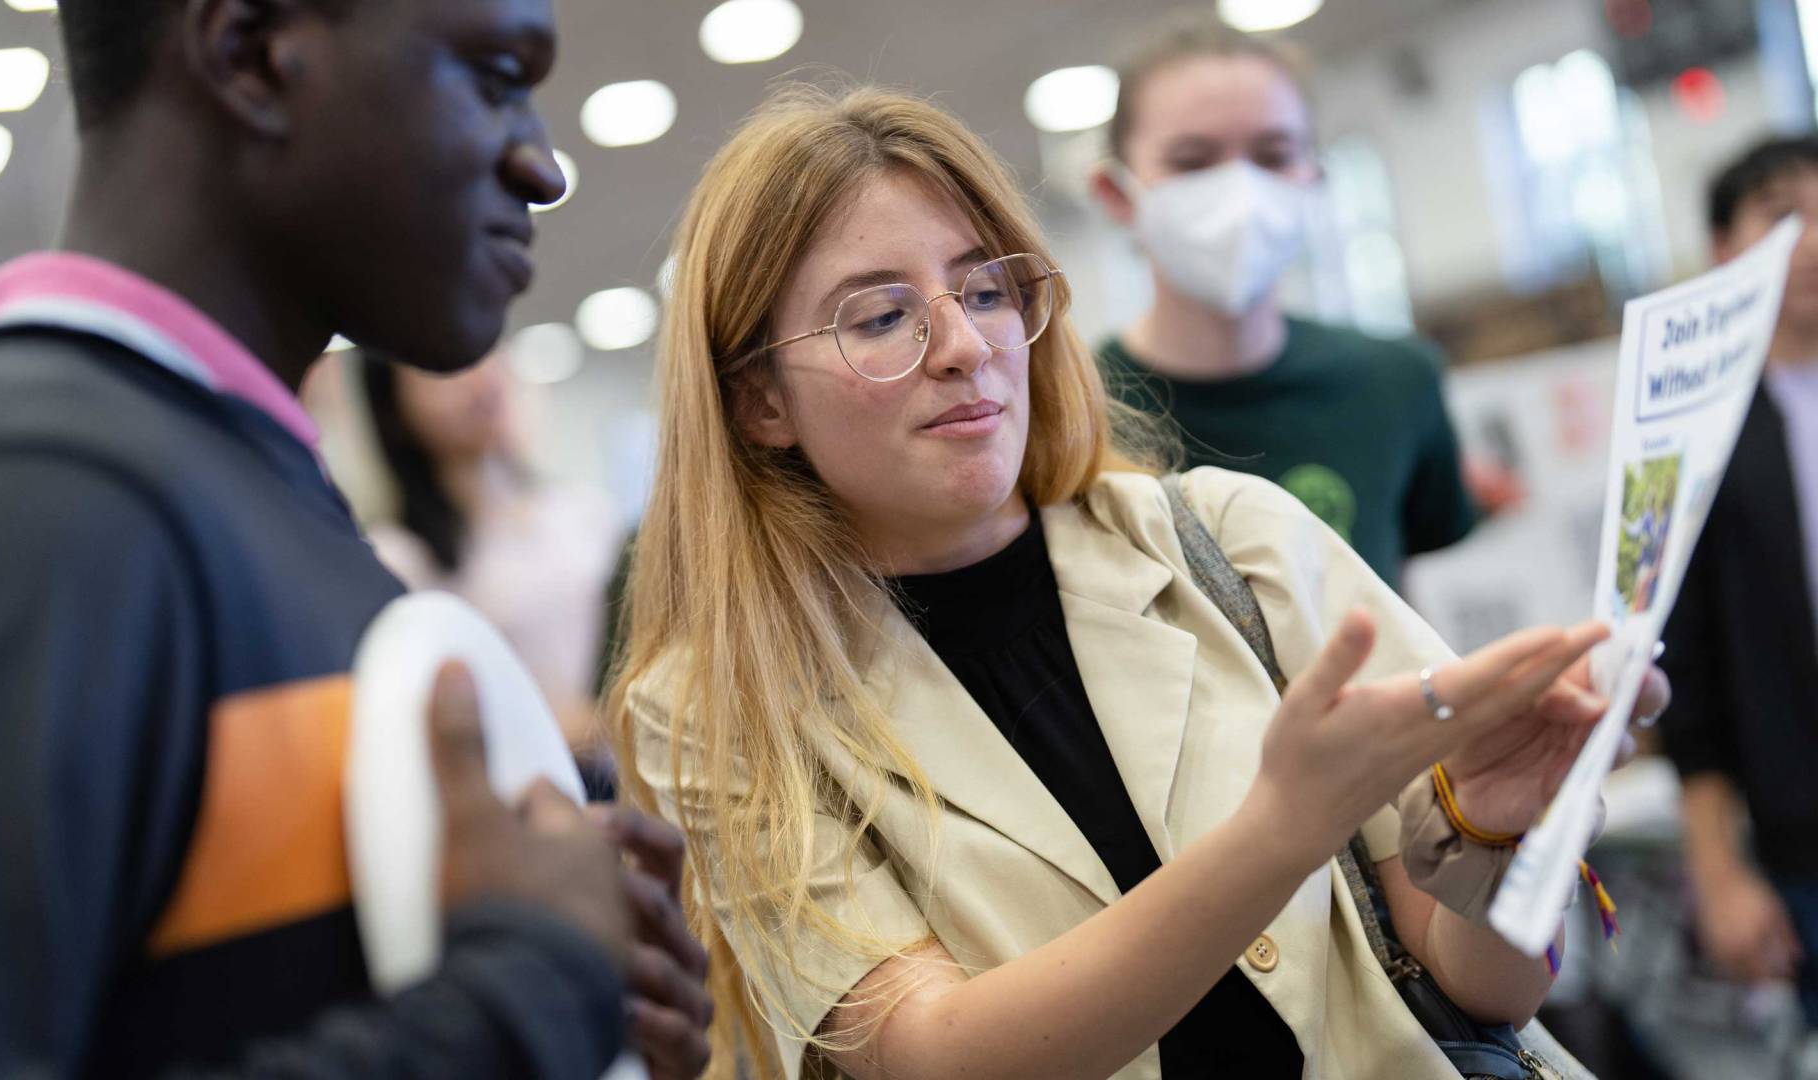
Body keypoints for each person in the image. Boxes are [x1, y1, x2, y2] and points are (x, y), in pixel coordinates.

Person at [608, 85, 1667, 1079]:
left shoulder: (1231, 540)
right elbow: (932, 1054)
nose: (966, 346)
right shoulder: (715, 701)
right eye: (881, 318)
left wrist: (1495, 831)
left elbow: (1487, 988)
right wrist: (1283, 829)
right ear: (760, 405)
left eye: (985, 289)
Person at [0, 1, 709, 1076]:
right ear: (251, 57)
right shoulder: (30, 486)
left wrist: (559, 928)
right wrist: (528, 985)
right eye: (496, 76)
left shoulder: (239, 482)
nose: (540, 164)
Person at [1086, 19, 1478, 587]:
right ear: (1117, 194)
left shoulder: (1397, 382)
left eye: (1273, 155)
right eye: (1192, 161)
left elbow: (1401, 606)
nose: (1240, 191)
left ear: (1312, 177)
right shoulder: (1075, 411)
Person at [1661, 134, 1818, 1033]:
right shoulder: (1700, 435)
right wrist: (1719, 874)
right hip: (1803, 840)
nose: (1811, 242)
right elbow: (1694, 682)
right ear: (1727, 247)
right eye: (1782, 215)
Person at [359, 351, 626, 764]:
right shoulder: (397, 557)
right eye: (441, 368)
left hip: (617, 773)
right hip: (518, 791)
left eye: (484, 356)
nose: (477, 379)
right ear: (393, 405)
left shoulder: (582, 510)